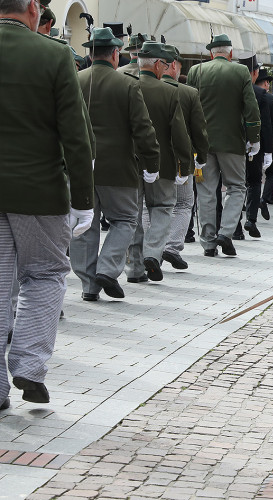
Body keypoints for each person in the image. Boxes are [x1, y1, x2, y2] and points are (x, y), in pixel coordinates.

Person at [1, 0, 94, 409]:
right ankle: (28, 363)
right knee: (46, 274)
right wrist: (84, 200)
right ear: (35, 11)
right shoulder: (54, 54)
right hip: (39, 189)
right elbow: (76, 134)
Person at [71, 27, 160, 300]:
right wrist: (152, 163)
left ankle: (88, 285)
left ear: (90, 52)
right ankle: (108, 269)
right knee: (124, 219)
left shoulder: (75, 80)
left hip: (81, 166)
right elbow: (143, 129)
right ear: (114, 54)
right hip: (118, 168)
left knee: (85, 225)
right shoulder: (127, 83)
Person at [186, 34, 261, 257]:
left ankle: (208, 242)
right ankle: (226, 232)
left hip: (202, 143)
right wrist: (254, 137)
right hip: (232, 141)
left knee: (206, 191)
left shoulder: (195, 71)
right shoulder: (240, 71)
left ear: (211, 53)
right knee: (236, 187)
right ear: (230, 53)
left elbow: (189, 107)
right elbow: (251, 107)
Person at [126, 41, 192, 283]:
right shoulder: (169, 91)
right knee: (163, 208)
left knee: (134, 215)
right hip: (162, 163)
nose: (166, 68)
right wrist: (184, 165)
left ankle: (134, 269)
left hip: (131, 162)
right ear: (156, 64)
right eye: (165, 63)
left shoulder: (126, 84)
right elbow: (179, 134)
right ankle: (153, 253)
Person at [161, 44, 209, 270]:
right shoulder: (189, 92)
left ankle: (152, 248)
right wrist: (201, 156)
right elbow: (199, 129)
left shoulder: (144, 87)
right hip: (182, 159)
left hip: (153, 158)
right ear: (173, 65)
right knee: (183, 203)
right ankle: (172, 247)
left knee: (150, 206)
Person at [243, 67, 273, 238]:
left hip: (235, 141)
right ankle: (251, 217)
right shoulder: (266, 97)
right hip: (256, 143)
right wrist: (272, 148)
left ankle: (235, 225)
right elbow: (269, 124)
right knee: (254, 181)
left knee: (237, 184)